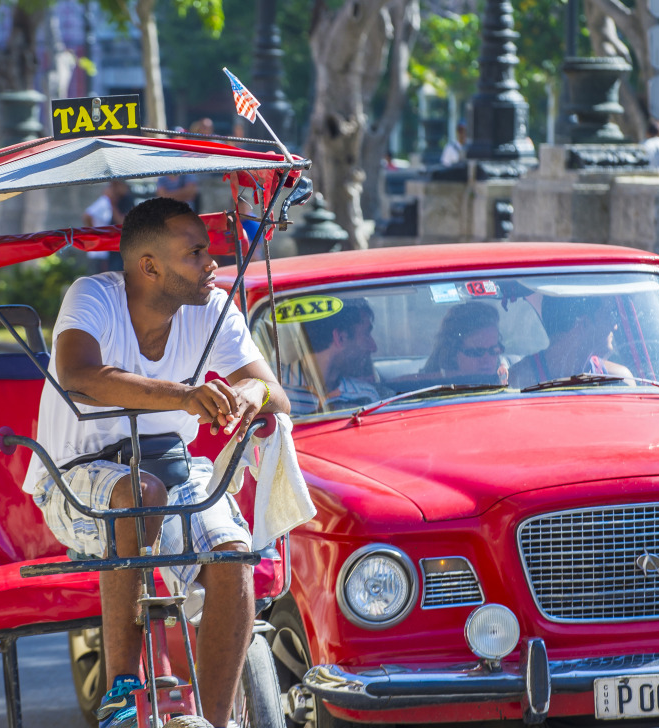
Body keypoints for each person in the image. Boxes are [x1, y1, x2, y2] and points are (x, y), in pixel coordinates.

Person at [21, 197, 289, 728]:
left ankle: (212, 720)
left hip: (171, 468)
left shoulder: (213, 308)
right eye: (194, 253)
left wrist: (248, 395)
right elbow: (79, 374)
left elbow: (274, 392)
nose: (211, 264)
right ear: (150, 267)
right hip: (75, 479)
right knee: (138, 494)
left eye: (207, 251)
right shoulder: (92, 295)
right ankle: (123, 687)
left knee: (234, 553)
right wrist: (186, 395)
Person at [283, 298, 387, 414]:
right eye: (366, 334)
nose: (373, 347)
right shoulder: (274, 391)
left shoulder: (366, 395)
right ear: (340, 338)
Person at [508, 295, 633, 389]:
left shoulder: (619, 379)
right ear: (584, 324)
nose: (614, 326)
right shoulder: (519, 380)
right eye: (607, 316)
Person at [421, 301, 509, 384]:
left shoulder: (511, 385)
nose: (487, 359)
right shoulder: (423, 392)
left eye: (493, 351)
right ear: (452, 354)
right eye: (476, 352)